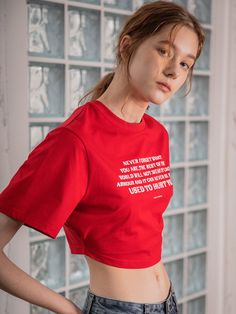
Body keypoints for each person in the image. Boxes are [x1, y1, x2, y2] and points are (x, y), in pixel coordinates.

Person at [0, 1, 205, 313]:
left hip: (170, 303)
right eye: (164, 50)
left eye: (185, 63)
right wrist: (66, 308)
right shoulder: (76, 140)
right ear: (127, 46)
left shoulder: (156, 134)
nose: (174, 70)